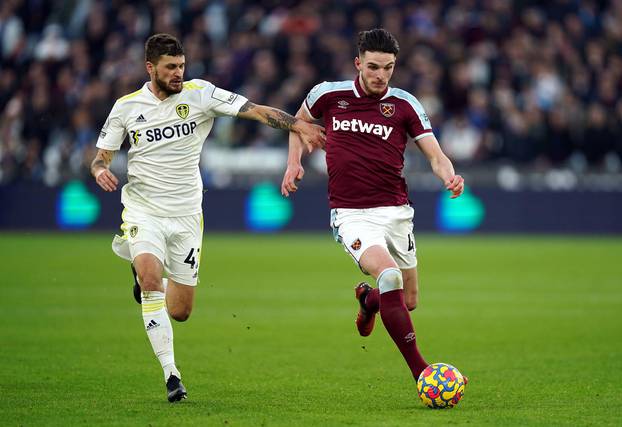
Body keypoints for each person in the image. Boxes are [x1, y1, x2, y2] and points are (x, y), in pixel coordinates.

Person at [91, 33, 325, 402]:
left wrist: (297, 125)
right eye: (170, 68)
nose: (178, 74)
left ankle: (148, 285)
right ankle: (172, 375)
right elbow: (101, 156)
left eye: (181, 66)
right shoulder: (126, 107)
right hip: (143, 209)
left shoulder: (201, 94)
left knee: (181, 311)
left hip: (186, 215)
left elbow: (255, 110)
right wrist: (99, 170)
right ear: (150, 68)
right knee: (151, 277)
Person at [281, 28, 466, 384]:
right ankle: (423, 373)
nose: (381, 75)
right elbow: (297, 123)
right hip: (352, 215)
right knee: (390, 275)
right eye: (374, 67)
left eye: (388, 68)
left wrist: (450, 176)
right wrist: (294, 162)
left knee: (407, 300)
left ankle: (369, 302)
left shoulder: (405, 104)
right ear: (358, 63)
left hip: (397, 212)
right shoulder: (328, 95)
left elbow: (435, 153)